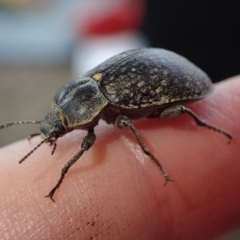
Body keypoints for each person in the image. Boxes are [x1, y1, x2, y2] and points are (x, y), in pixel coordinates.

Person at [0, 76, 239, 239]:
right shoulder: (84, 91)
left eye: (60, 130)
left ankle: (201, 126)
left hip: (183, 80)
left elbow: (91, 143)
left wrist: (62, 173)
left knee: (180, 110)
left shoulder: (107, 103)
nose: (58, 134)